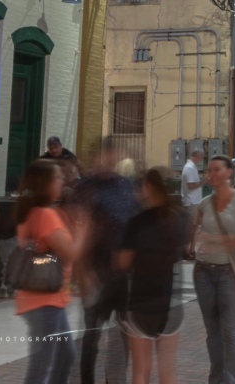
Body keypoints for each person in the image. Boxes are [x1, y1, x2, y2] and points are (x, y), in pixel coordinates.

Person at [69, 139, 139, 384]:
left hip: (123, 274)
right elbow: (78, 231)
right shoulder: (85, 187)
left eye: (114, 155)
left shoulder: (125, 184)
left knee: (122, 336)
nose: (109, 160)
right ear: (96, 156)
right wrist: (82, 272)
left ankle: (115, 380)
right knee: (92, 335)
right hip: (96, 273)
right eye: (105, 155)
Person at [15, 158, 84, 384]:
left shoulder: (34, 212)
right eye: (58, 177)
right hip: (43, 300)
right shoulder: (44, 214)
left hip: (48, 298)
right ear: (45, 183)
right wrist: (85, 232)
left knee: (64, 355)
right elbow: (70, 253)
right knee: (42, 362)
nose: (62, 181)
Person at [188, 155, 235, 384]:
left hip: (229, 271)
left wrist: (216, 240)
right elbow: (197, 231)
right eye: (209, 170)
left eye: (217, 169)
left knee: (230, 333)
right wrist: (196, 242)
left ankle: (232, 380)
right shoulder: (204, 203)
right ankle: (215, 380)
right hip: (203, 271)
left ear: (229, 172)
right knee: (213, 333)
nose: (212, 174)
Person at [118, 167, 186, 384]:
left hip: (142, 300)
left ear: (148, 188)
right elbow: (184, 250)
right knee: (168, 371)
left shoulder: (138, 222)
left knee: (141, 371)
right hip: (171, 300)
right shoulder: (179, 218)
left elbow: (123, 261)